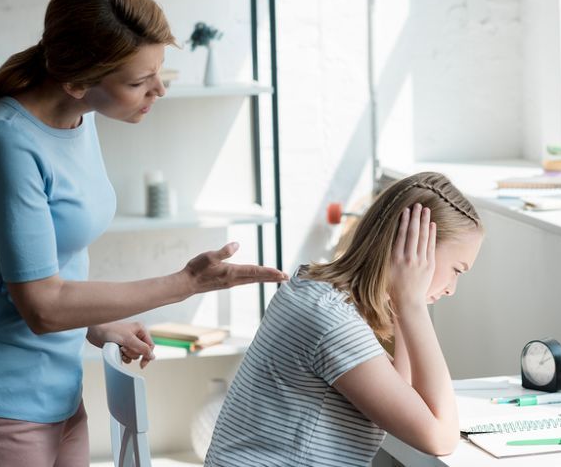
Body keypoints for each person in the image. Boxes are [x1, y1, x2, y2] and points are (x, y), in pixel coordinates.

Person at [0, 0, 286, 466]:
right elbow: (42, 305)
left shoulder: (80, 116)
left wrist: (98, 322)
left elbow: (52, 265)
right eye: (139, 82)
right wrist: (185, 282)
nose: (158, 89)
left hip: (60, 392)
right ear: (77, 82)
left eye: (159, 72)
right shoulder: (7, 142)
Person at [205, 171, 484, 466]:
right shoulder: (332, 324)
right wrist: (413, 304)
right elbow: (440, 437)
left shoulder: (312, 288)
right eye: (457, 270)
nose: (452, 289)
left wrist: (405, 304)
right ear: (416, 249)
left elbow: (401, 393)